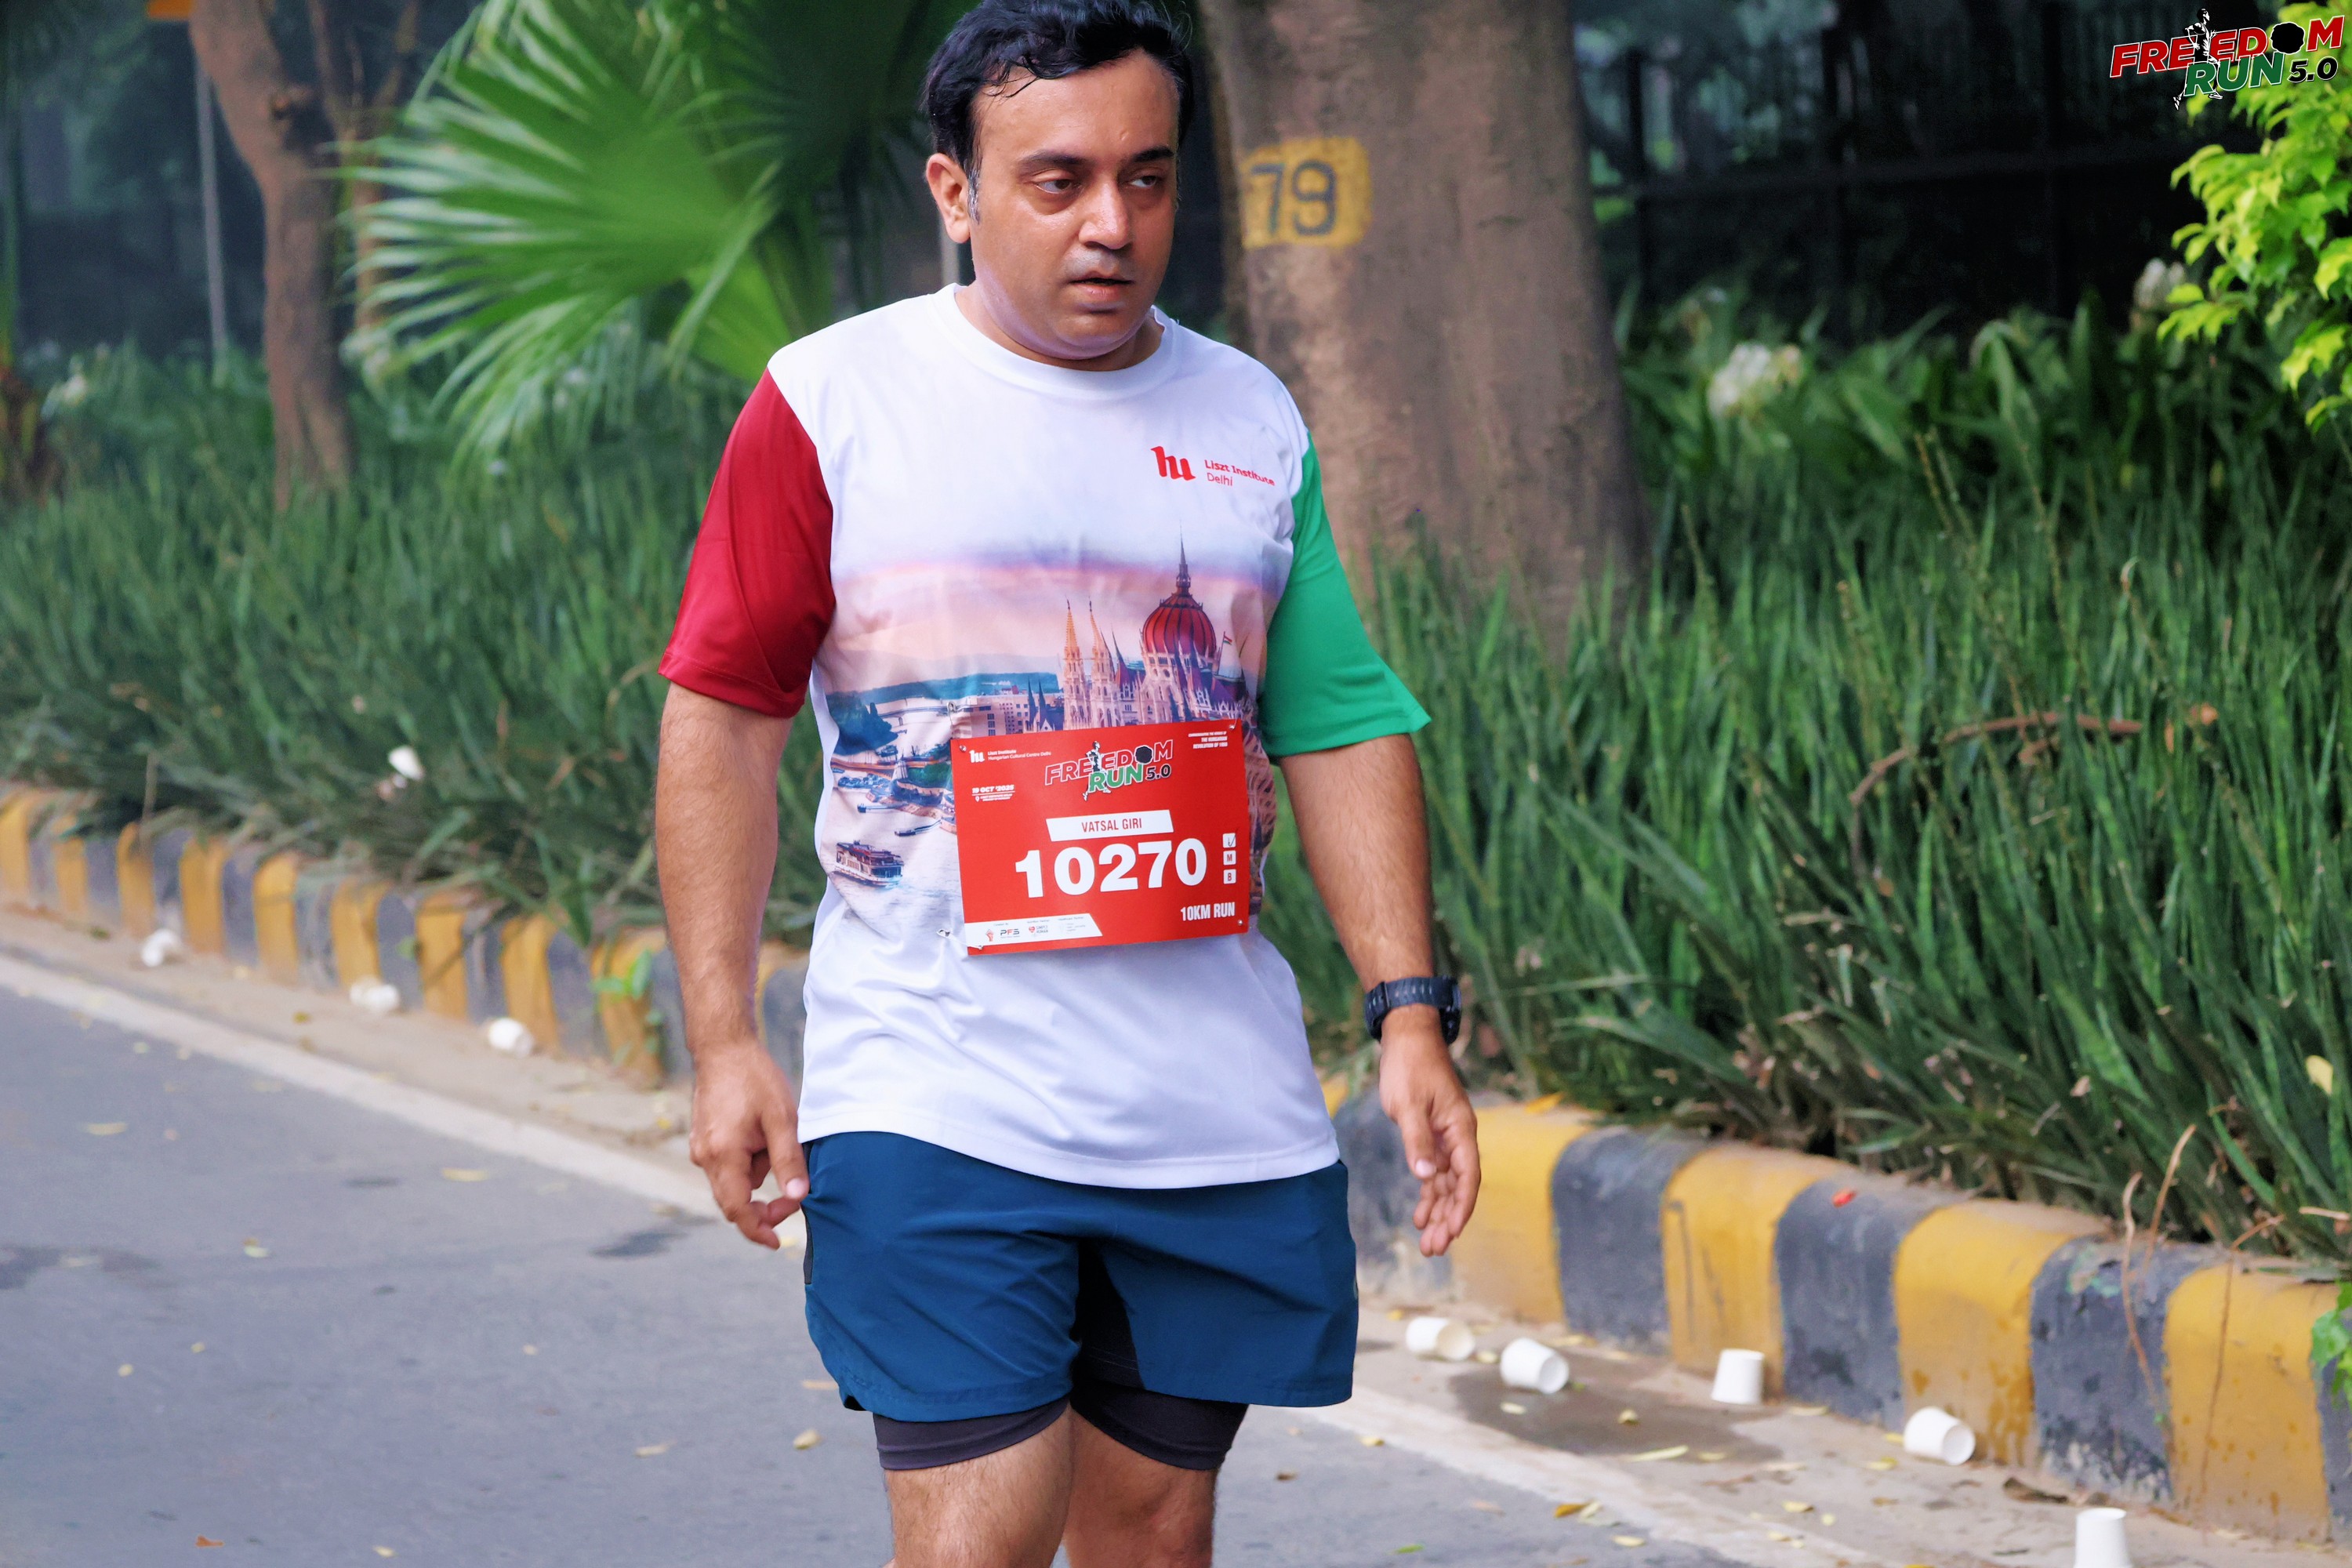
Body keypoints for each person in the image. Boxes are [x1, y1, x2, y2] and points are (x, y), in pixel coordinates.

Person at [653, 3, 1479, 1563]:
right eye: (1059, 181)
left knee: (1153, 1535)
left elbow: (1336, 720)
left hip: (1206, 1104)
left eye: (1147, 177)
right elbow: (725, 719)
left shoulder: (1249, 415)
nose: (1113, 223)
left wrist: (1410, 1015)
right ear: (954, 192)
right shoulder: (831, 401)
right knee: (983, 1533)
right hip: (936, 1086)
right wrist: (723, 1040)